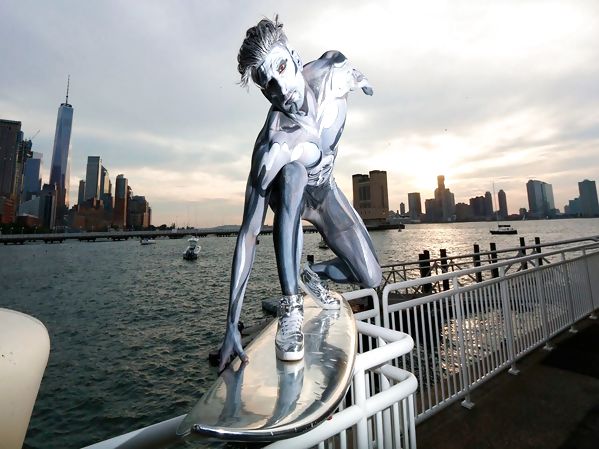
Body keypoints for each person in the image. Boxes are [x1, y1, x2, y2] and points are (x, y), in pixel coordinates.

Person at [218, 16, 381, 371]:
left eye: (280, 68)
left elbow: (349, 70)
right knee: (293, 171)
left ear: (293, 55)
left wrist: (361, 80)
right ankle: (291, 305)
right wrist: (231, 323)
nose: (280, 89)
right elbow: (248, 233)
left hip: (326, 193)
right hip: (294, 196)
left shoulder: (331, 72)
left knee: (371, 277)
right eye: (267, 84)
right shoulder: (272, 144)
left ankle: (312, 275)